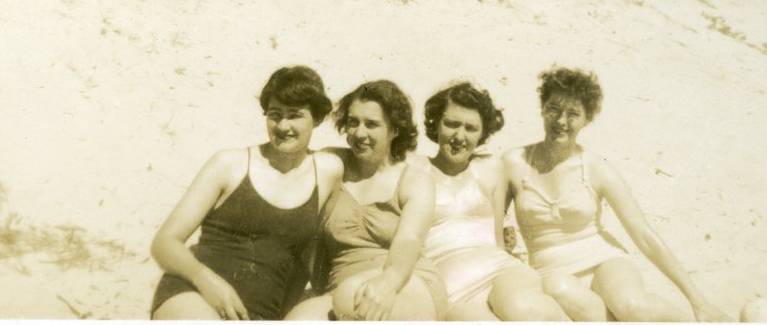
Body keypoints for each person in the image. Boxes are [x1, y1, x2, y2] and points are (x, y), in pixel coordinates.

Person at [504, 66, 730, 322]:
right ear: (542, 109)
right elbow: (487, 216)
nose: (561, 122)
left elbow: (643, 234)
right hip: (550, 272)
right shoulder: (514, 163)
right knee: (561, 289)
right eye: (554, 109)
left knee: (631, 305)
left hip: (604, 261)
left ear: (587, 119)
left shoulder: (597, 169)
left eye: (573, 114)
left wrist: (698, 301)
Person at [149, 66, 343, 320]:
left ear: (316, 119)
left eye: (295, 115)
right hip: (195, 294)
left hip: (261, 311)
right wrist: (208, 282)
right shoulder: (230, 164)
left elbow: (311, 256)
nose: (283, 125)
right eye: (274, 115)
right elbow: (164, 242)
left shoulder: (327, 172)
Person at [286, 80, 447, 321]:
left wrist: (387, 283)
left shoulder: (415, 180)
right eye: (353, 123)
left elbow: (409, 240)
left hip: (404, 283)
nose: (359, 133)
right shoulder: (331, 163)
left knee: (350, 299)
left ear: (395, 129)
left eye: (371, 124)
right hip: (339, 289)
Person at [416, 82, 569, 321]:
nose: (459, 136)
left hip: (501, 272)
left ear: (482, 134)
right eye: (451, 124)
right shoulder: (414, 169)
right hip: (451, 290)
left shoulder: (490, 168)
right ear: (435, 123)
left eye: (471, 128)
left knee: (524, 308)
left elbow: (497, 238)